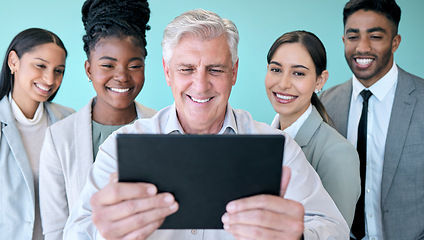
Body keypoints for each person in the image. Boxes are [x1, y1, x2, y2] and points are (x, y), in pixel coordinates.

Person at [64, 9, 349, 240]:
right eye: (186, 69)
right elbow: (75, 234)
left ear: (234, 72)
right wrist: (105, 236)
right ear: (167, 72)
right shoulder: (119, 149)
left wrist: (298, 237)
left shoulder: (278, 147)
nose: (200, 85)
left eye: (215, 69)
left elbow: (334, 229)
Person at [38, 0, 157, 239]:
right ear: (89, 70)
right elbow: (55, 231)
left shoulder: (165, 128)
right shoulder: (59, 137)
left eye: (134, 65)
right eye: (107, 65)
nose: (122, 76)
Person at [320, 0, 424, 239]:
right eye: (353, 37)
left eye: (375, 36)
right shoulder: (325, 104)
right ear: (344, 41)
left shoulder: (421, 99)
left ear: (395, 42)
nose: (362, 47)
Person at [265, 30, 360, 227]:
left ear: (320, 80)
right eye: (276, 69)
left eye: (298, 73)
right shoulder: (260, 138)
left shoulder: (338, 153)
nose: (283, 83)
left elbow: (336, 234)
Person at [0, 28, 75, 240]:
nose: (49, 79)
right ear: (13, 62)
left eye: (58, 70)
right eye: (40, 65)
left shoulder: (69, 121)